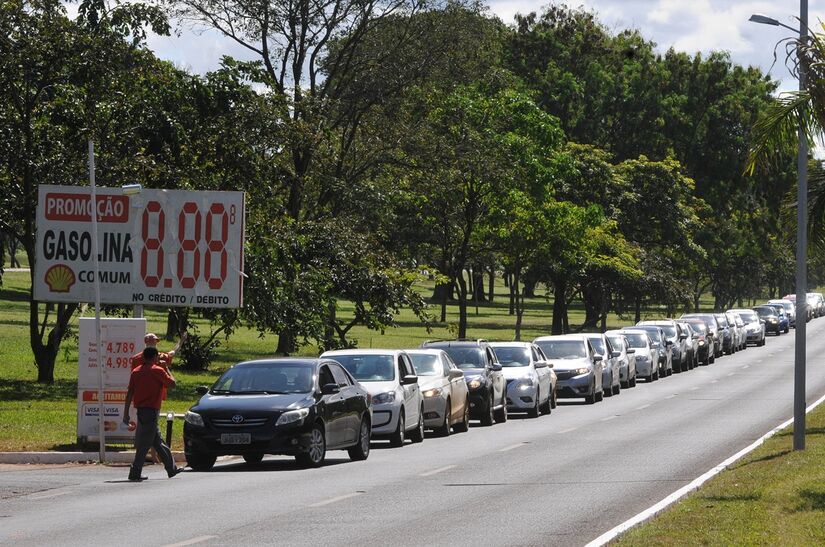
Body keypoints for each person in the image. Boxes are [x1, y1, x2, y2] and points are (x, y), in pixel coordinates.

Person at [123, 347, 183, 481]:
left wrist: (125, 413)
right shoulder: (158, 371)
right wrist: (167, 368)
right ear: (155, 357)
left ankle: (171, 468)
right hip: (151, 411)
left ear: (143, 357)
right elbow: (172, 384)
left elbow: (129, 394)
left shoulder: (135, 372)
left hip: (141, 411)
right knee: (145, 444)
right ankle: (135, 472)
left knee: (158, 442)